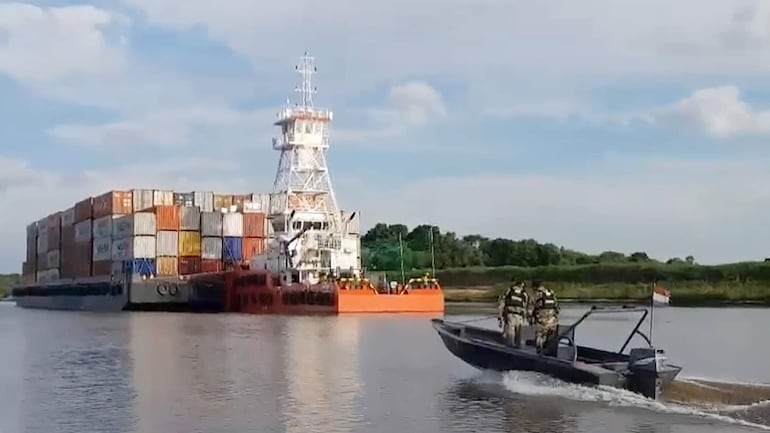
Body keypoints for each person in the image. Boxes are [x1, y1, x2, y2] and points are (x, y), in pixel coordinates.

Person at [531, 281, 560, 354]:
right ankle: (550, 353)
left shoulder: (537, 294)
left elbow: (532, 307)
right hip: (552, 320)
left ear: (535, 286)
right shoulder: (551, 293)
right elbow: (557, 307)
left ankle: (539, 353)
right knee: (550, 337)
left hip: (542, 320)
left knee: (540, 336)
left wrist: (531, 318)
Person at [497, 281, 529, 348]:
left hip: (511, 315)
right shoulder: (524, 293)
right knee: (523, 333)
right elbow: (526, 306)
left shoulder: (509, 291)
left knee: (511, 333)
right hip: (521, 316)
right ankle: (524, 346)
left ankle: (510, 346)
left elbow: (501, 304)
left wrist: (500, 317)